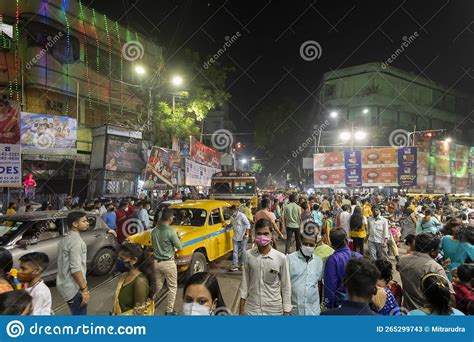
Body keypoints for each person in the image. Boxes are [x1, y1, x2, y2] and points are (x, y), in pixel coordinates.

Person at [239, 218, 292, 315]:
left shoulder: (281, 258)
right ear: (255, 234)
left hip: (274, 309)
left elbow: (286, 286)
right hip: (253, 308)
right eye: (259, 234)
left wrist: (287, 310)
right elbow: (245, 283)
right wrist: (241, 310)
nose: (262, 236)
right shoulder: (248, 255)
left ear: (271, 234)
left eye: (266, 233)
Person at [398, 233, 453, 311]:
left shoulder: (402, 259)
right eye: (438, 249)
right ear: (433, 251)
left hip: (408, 308)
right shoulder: (435, 267)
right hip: (428, 312)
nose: (439, 251)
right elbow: (449, 294)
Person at [56, 211, 90, 315]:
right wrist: (84, 290)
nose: (87, 223)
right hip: (74, 289)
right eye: (84, 221)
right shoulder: (76, 242)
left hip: (64, 285)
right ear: (75, 224)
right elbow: (75, 269)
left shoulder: (65, 239)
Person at [152, 208, 182, 315]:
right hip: (168, 263)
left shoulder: (154, 231)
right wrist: (178, 239)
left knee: (158, 286)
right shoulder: (171, 231)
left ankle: (148, 304)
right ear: (169, 218)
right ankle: (169, 310)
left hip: (156, 263)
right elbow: (179, 246)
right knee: (172, 287)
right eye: (173, 217)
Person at [112, 243, 156, 315]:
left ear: (134, 260)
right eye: (118, 258)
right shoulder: (125, 275)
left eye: (122, 259)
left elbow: (139, 314)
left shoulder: (140, 282)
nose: (118, 261)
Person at [323, 228, 362, 309]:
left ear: (332, 244)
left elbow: (330, 284)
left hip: (340, 304)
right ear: (347, 241)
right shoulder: (359, 256)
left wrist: (329, 304)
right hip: (359, 301)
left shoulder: (332, 260)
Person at [288, 233, 323, 315]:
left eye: (311, 245)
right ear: (300, 242)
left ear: (315, 245)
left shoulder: (318, 261)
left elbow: (318, 283)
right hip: (294, 311)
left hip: (313, 311)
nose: (308, 247)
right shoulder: (289, 259)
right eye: (305, 244)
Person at [229, 205, 250, 272]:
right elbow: (231, 224)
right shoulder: (232, 217)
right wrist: (225, 226)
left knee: (243, 251)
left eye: (231, 211)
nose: (230, 212)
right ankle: (235, 265)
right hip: (236, 237)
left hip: (243, 236)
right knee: (235, 251)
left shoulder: (242, 216)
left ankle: (242, 264)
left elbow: (248, 224)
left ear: (235, 211)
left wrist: (246, 234)